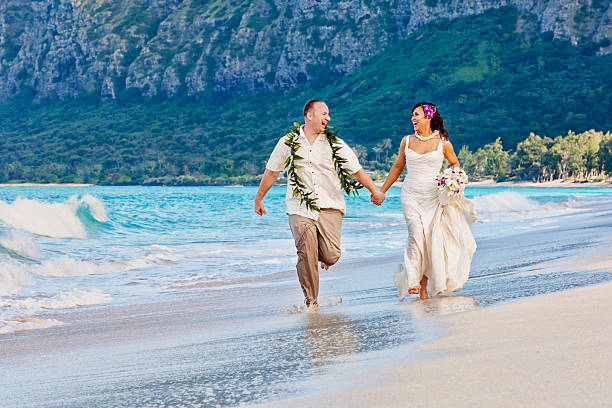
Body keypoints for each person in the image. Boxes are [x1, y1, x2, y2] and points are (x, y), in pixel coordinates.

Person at [255, 100, 385, 310]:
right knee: (306, 253)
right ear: (309, 115)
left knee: (331, 255)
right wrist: (259, 198)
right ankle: (311, 302)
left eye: (328, 114)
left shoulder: (335, 144)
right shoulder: (288, 142)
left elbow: (356, 170)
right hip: (300, 207)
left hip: (330, 206)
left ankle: (321, 255)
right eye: (324, 113)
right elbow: (272, 171)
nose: (328, 118)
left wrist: (375, 190)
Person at [377, 102, 477, 300]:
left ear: (428, 117)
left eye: (417, 115)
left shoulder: (443, 142)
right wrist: (382, 191)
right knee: (416, 235)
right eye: (412, 115)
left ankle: (423, 290)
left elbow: (455, 163)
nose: (413, 119)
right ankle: (413, 281)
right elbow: (398, 167)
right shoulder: (406, 141)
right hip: (411, 195)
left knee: (430, 241)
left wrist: (452, 181)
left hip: (433, 197)